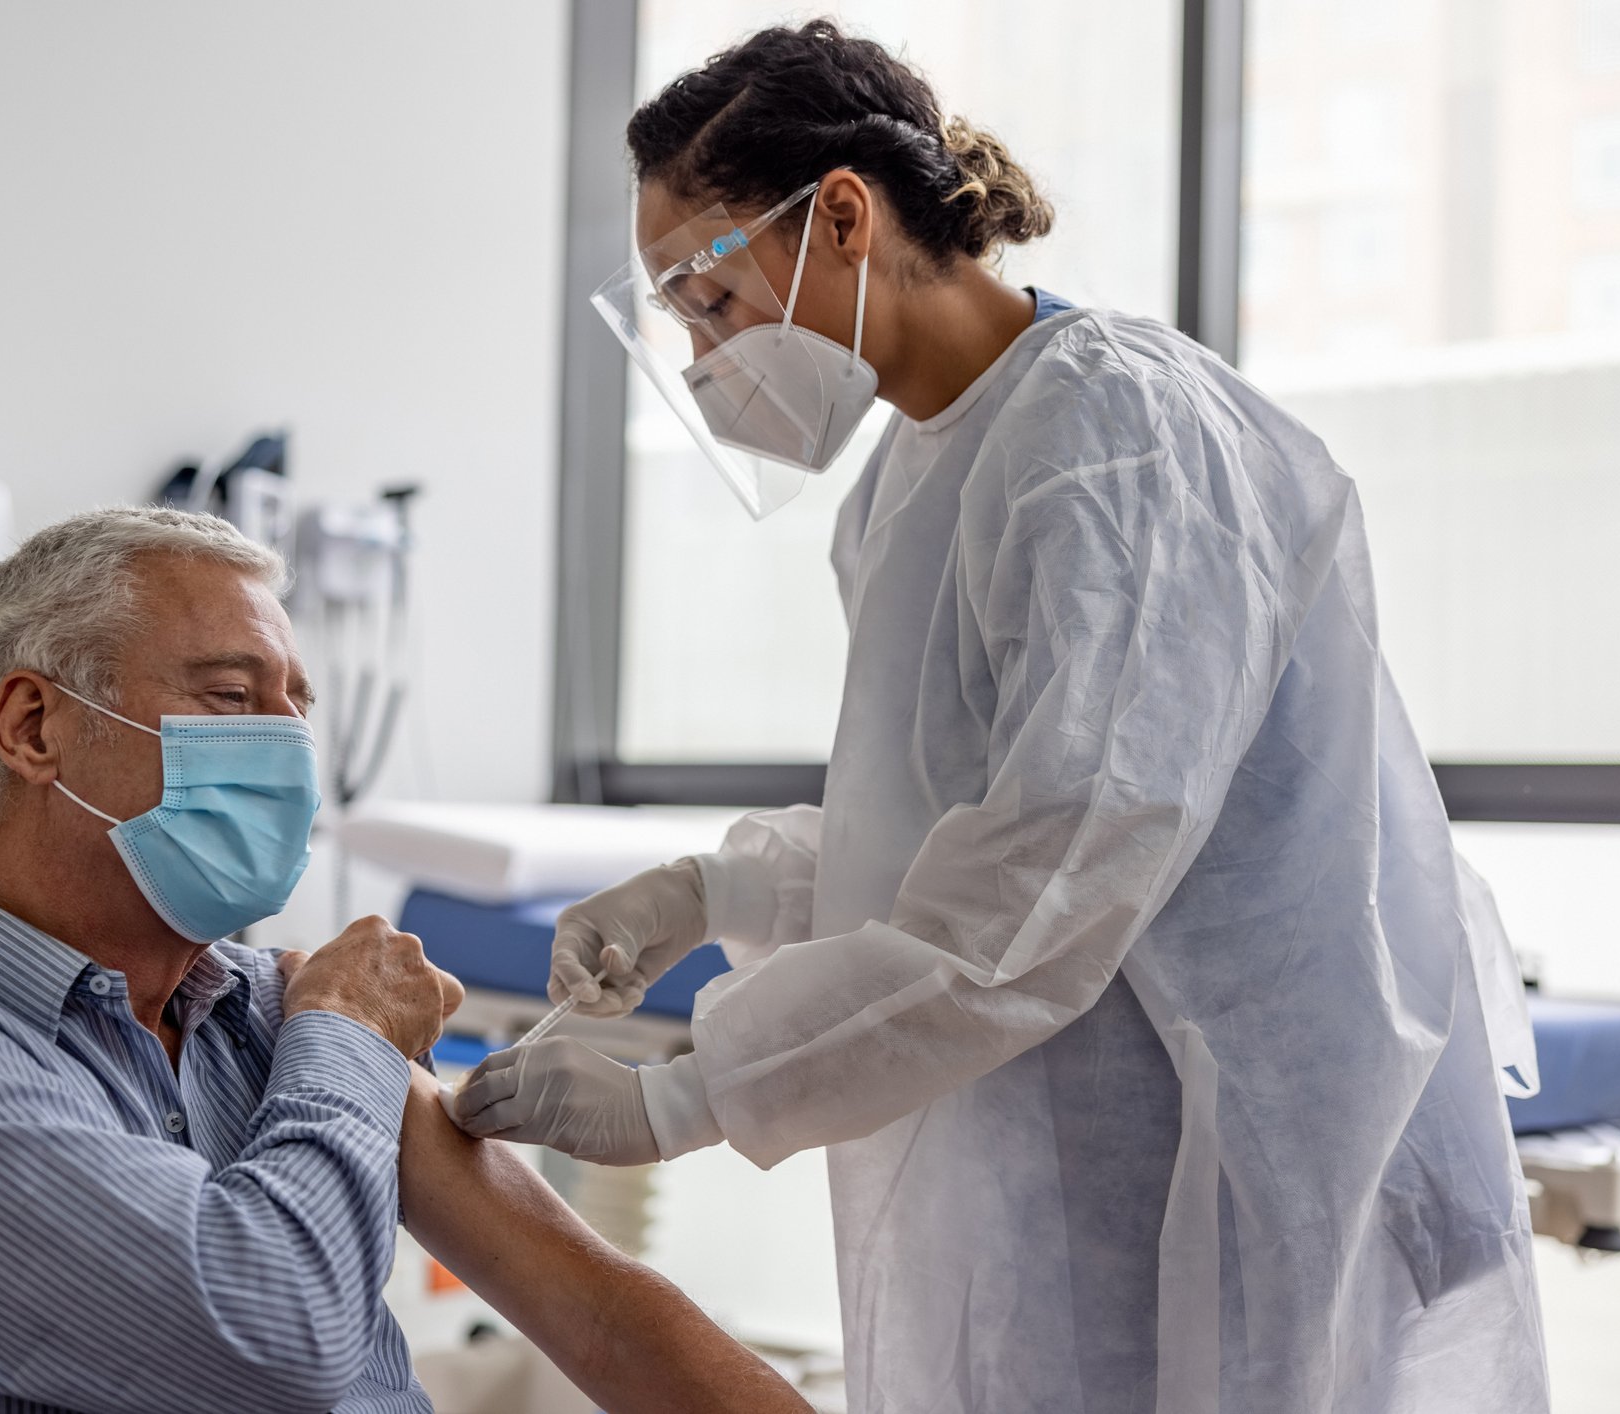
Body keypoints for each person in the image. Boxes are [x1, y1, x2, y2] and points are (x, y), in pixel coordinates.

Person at [457, 21, 1549, 1414]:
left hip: (1241, 1145)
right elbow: (939, 824)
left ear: (841, 213)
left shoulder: (1116, 439)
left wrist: (689, 1096)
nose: (700, 355)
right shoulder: (905, 482)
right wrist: (712, 886)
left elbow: (1047, 883)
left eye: (708, 296)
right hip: (1073, 1138)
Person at [0, 506, 807, 1414]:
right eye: (233, 699)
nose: (286, 747)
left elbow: (597, 1311)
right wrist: (343, 1035)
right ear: (35, 725)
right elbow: (264, 1338)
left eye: (296, 708)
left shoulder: (262, 1011)